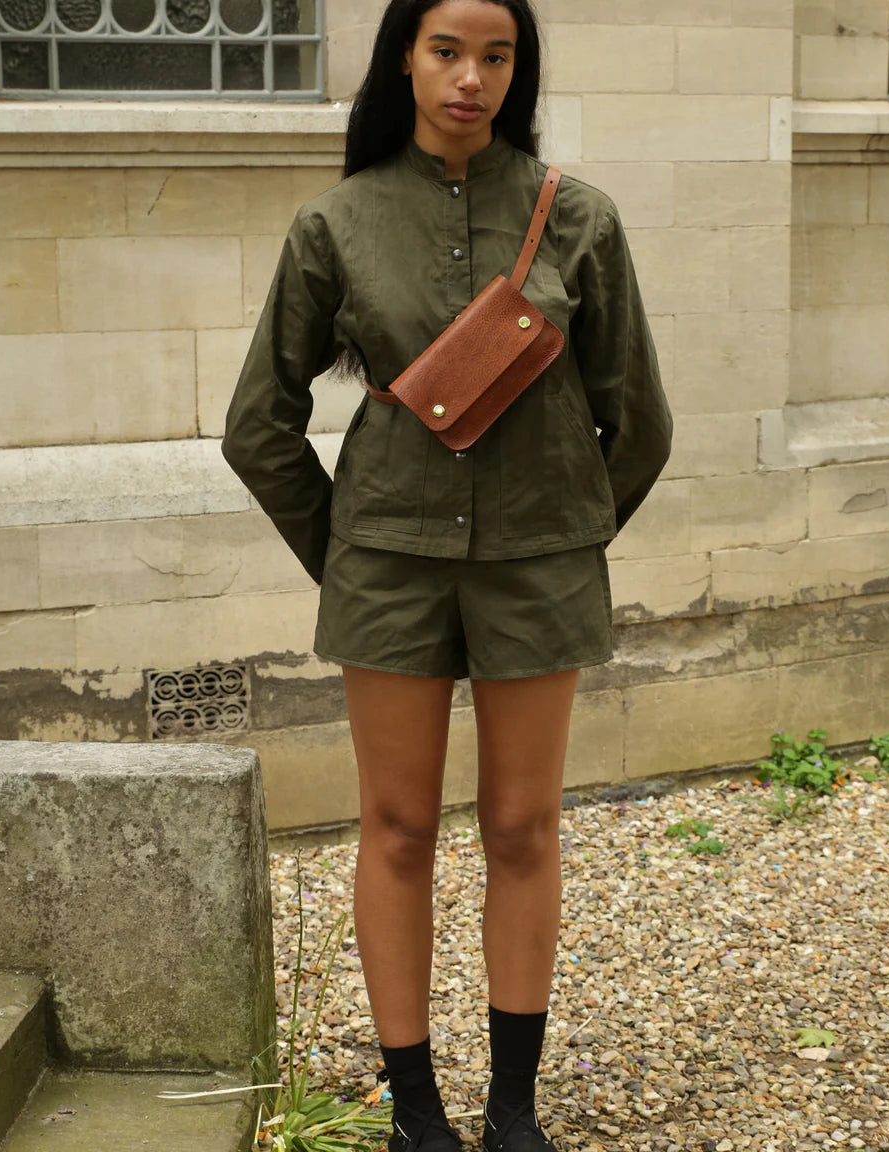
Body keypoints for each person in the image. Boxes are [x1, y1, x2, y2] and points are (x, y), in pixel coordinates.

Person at [222, 0, 672, 1146]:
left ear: (517, 69)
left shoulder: (578, 218)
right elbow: (257, 425)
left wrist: (561, 536)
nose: (471, 76)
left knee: (523, 828)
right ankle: (415, 1109)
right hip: (386, 570)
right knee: (399, 827)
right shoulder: (337, 222)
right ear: (404, 61)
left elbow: (642, 422)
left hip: (540, 567)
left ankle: (513, 1108)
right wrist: (349, 555)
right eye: (446, 51)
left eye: (496, 55)